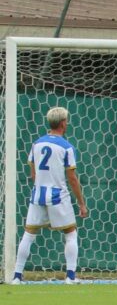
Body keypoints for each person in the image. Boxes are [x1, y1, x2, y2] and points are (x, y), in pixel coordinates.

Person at [11, 107, 88, 285]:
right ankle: (70, 276)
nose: (67, 123)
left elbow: (33, 174)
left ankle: (16, 276)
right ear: (62, 123)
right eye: (66, 121)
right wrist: (81, 203)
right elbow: (72, 178)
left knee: (28, 235)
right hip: (58, 195)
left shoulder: (37, 144)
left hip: (38, 194)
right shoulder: (67, 147)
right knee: (70, 233)